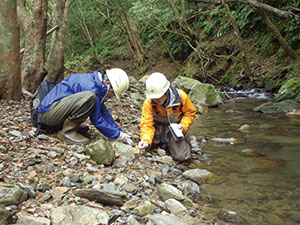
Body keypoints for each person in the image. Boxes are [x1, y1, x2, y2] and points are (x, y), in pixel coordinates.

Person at [38, 68, 133, 145]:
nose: (111, 97)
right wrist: (116, 135)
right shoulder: (91, 88)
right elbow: (97, 119)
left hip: (55, 111)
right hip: (49, 114)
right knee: (89, 97)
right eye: (112, 94)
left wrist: (119, 132)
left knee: (90, 98)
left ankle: (68, 127)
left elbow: (103, 111)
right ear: (108, 84)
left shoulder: (94, 83)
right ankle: (67, 132)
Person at [138, 72, 197, 162]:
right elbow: (146, 123)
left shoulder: (181, 97)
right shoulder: (148, 102)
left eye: (158, 97)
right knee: (145, 147)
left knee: (183, 157)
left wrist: (183, 126)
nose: (156, 100)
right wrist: (145, 140)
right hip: (157, 130)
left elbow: (190, 114)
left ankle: (178, 142)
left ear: (166, 92)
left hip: (175, 131)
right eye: (154, 98)